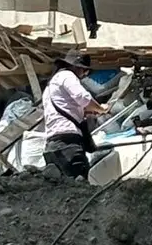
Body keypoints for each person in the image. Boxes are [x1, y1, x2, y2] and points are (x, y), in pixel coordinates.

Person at [42, 52, 109, 180]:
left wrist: (87, 112)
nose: (84, 75)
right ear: (78, 68)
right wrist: (101, 109)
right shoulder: (67, 76)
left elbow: (67, 108)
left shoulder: (52, 84)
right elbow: (82, 97)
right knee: (80, 184)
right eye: (85, 72)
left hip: (52, 144)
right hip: (68, 143)